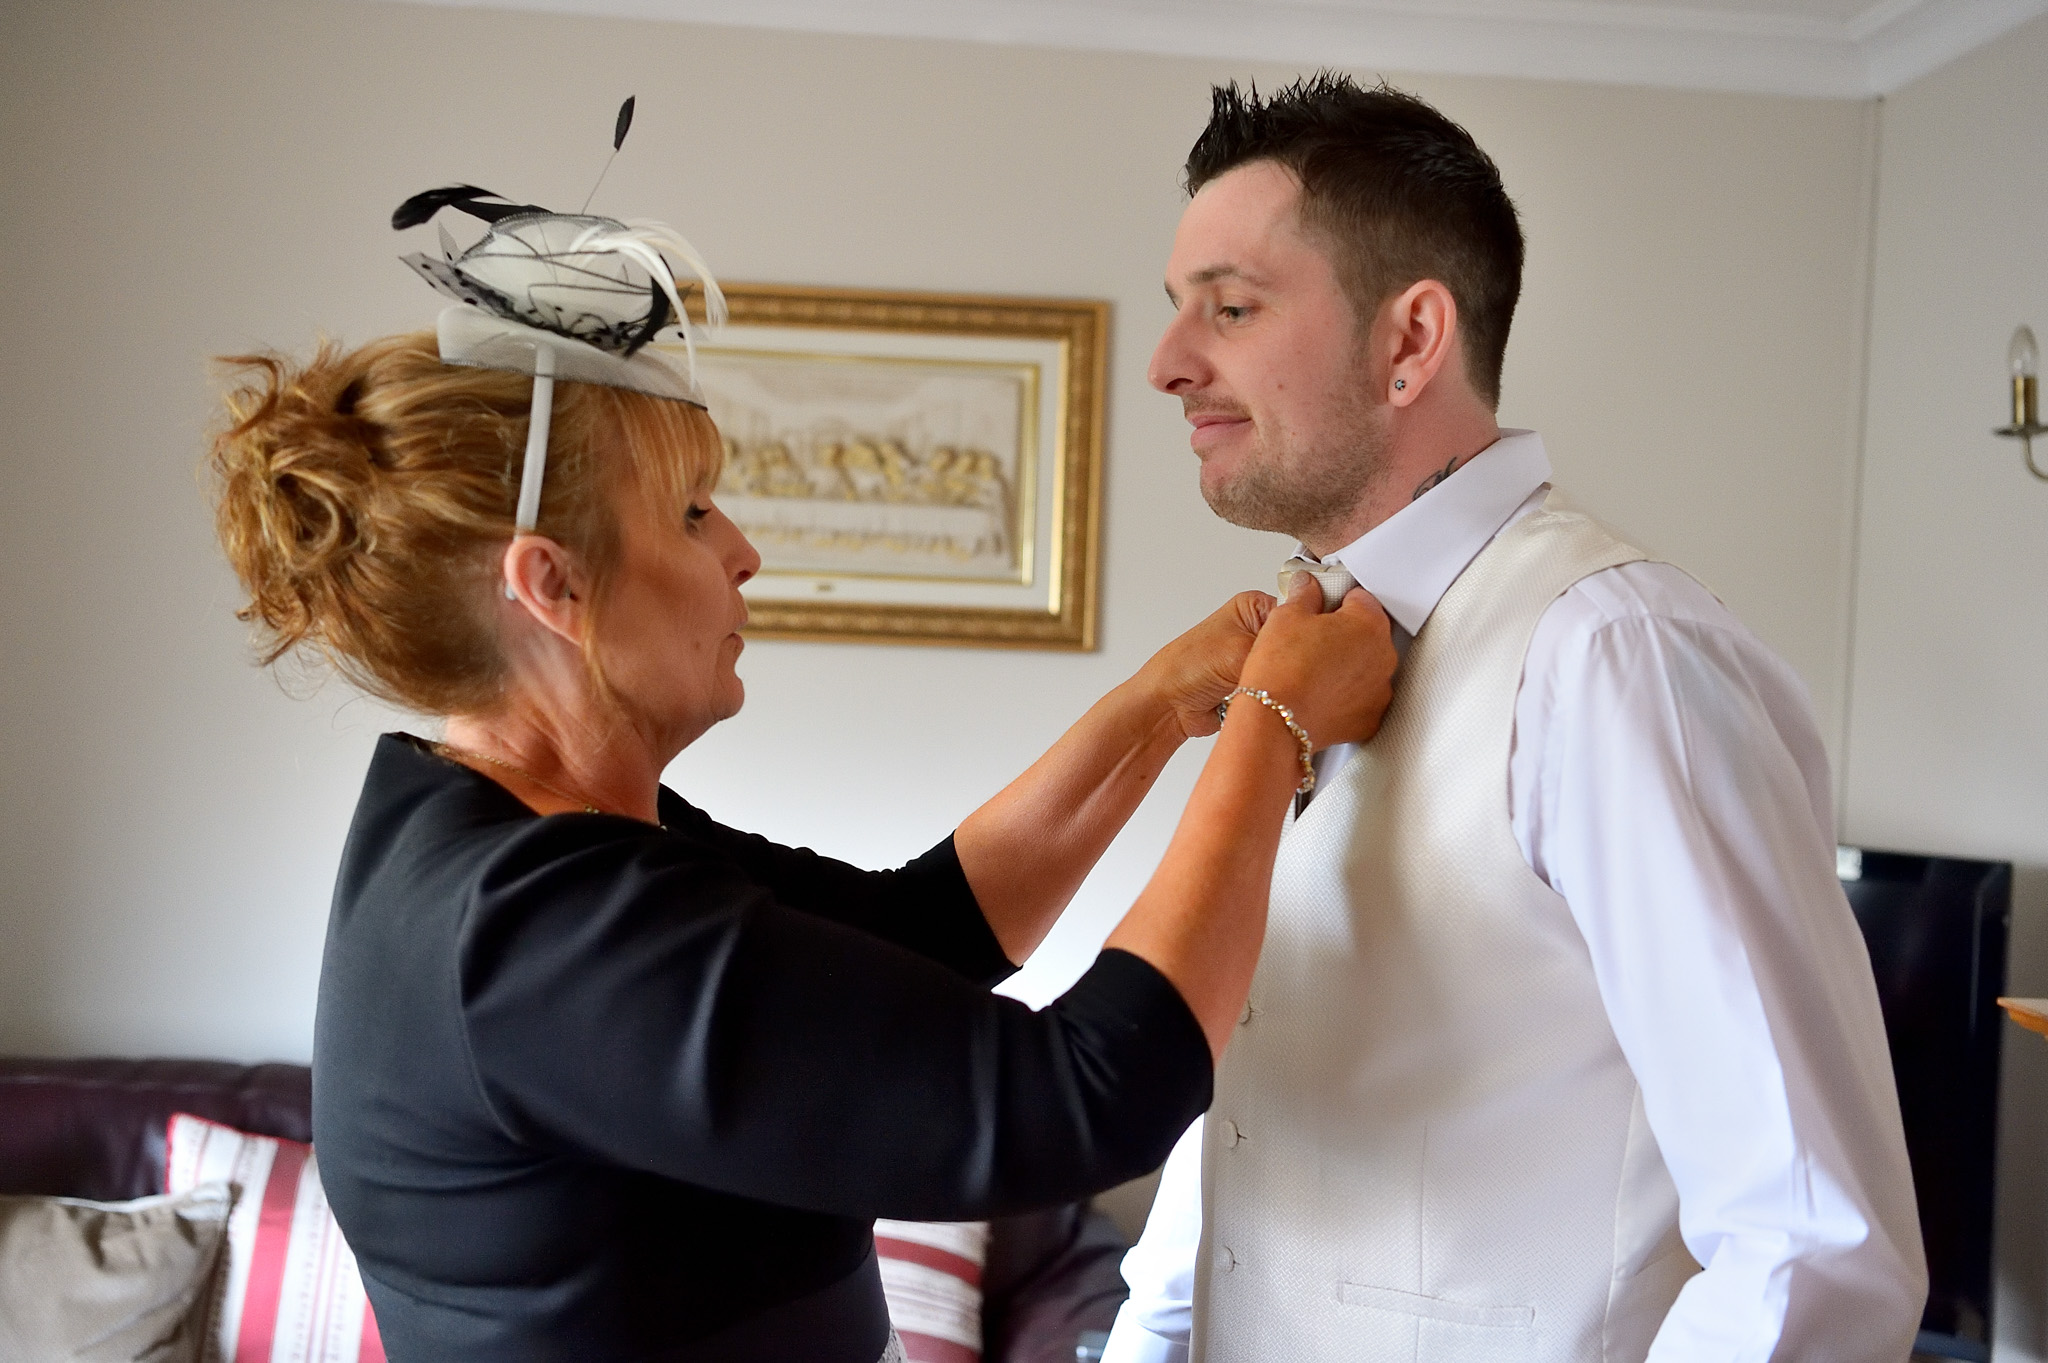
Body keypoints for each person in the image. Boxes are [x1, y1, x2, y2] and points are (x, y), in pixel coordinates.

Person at [207, 169, 1397, 1363]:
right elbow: (1088, 1097)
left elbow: (917, 929)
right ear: (549, 585)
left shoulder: (525, 837)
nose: (743, 550)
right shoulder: (538, 932)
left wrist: (1152, 708)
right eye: (688, 513)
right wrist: (1269, 725)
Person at [1101, 75, 1924, 1362]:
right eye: (1176, 312)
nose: (1166, 363)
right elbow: (1261, 1108)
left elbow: (1810, 1245)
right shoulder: (1299, 655)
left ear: (1408, 341)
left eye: (1231, 307)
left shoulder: (1613, 657)